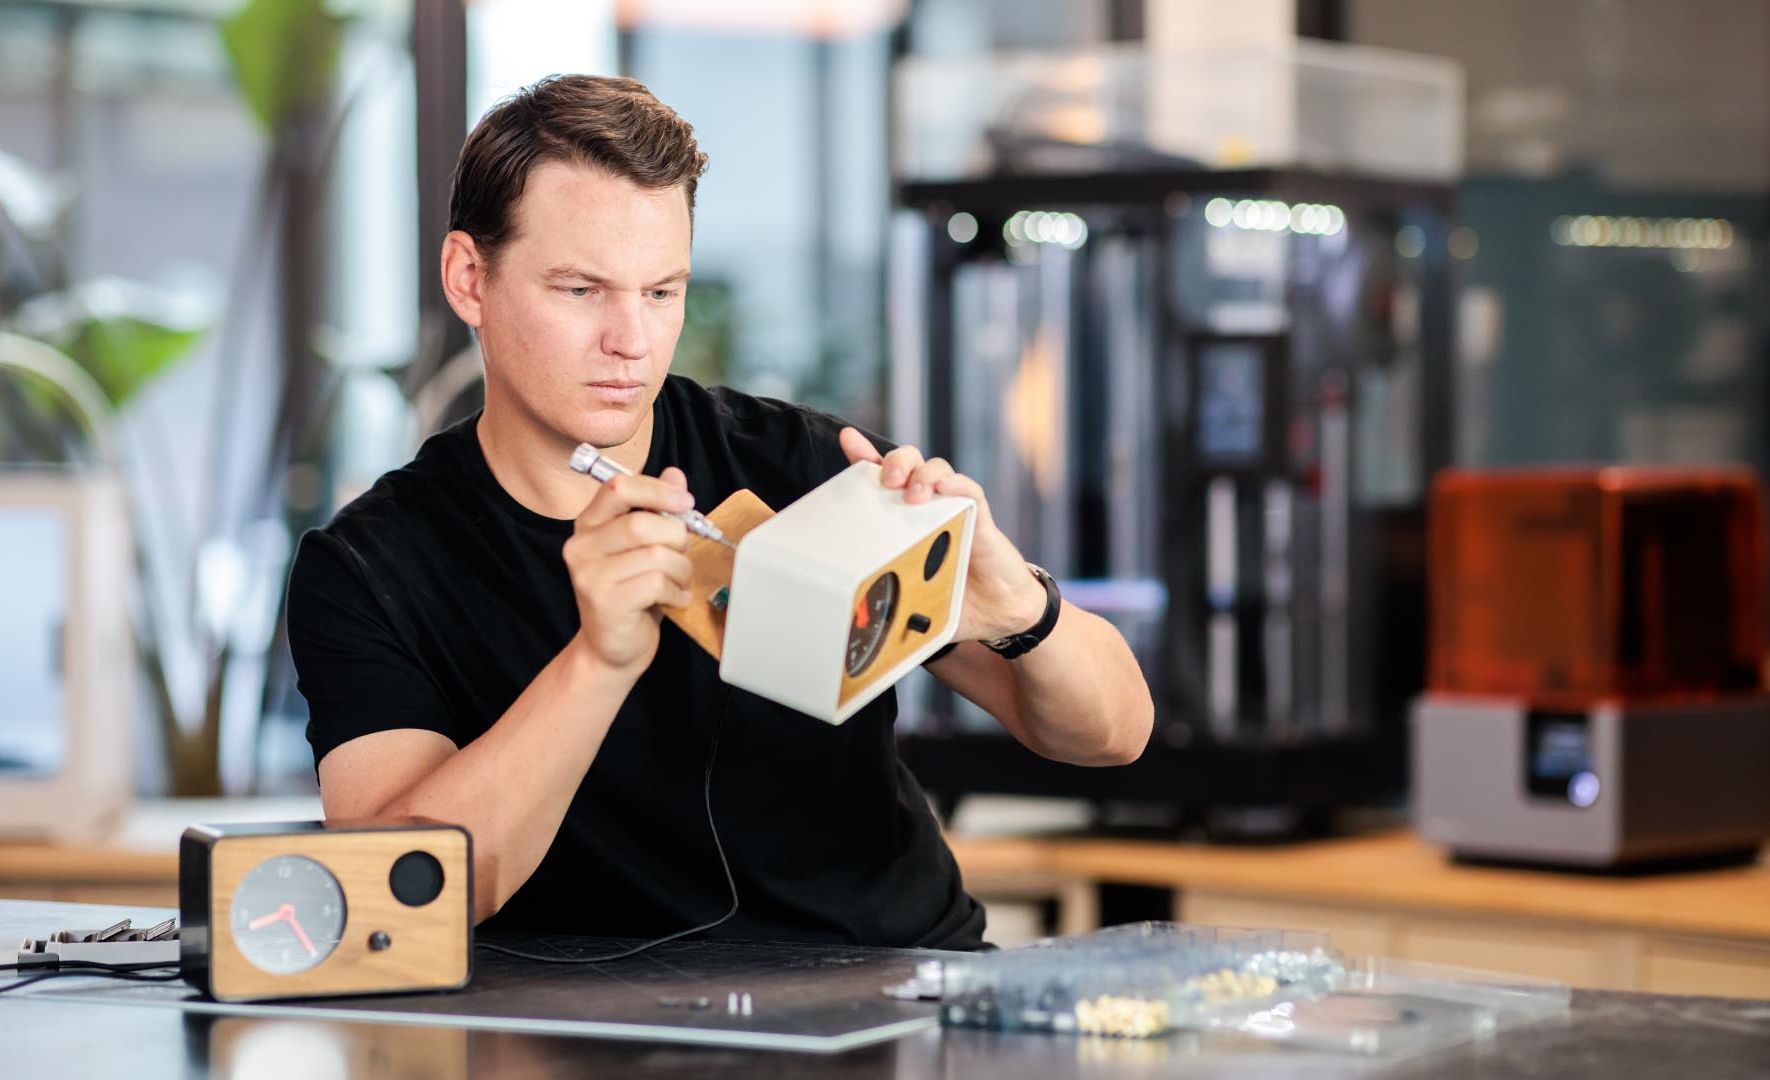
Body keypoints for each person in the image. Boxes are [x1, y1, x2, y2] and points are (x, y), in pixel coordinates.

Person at [287, 74, 1153, 951]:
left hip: (895, 987)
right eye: (581, 291)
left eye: (662, 292)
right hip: (588, 1033)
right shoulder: (371, 569)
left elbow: (1115, 736)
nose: (632, 340)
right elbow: (393, 897)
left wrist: (1022, 613)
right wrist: (597, 661)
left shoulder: (803, 468)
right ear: (470, 278)